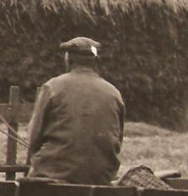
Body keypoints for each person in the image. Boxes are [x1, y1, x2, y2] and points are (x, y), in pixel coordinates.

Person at [24, 36, 125, 185]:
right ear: (95, 62)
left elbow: (34, 137)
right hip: (101, 177)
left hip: (54, 174)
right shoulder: (113, 92)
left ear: (68, 59)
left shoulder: (52, 87)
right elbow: (117, 139)